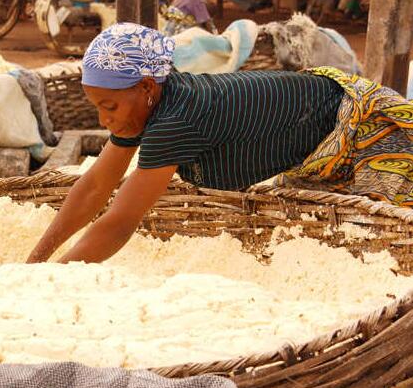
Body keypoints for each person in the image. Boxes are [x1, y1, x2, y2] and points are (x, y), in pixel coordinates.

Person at [26, 23, 413, 264]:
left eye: (108, 106)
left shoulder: (175, 120)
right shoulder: (149, 104)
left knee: (390, 242)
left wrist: (57, 279)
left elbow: (120, 222)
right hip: (316, 137)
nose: (103, 119)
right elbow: (96, 185)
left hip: (362, 127)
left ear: (146, 87)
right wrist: (36, 262)